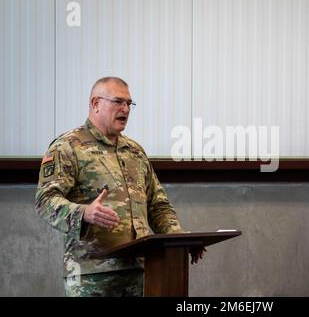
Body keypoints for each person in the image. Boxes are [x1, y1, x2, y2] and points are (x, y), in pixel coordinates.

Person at [35, 77, 204, 297]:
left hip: (141, 271)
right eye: (117, 102)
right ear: (95, 104)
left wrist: (179, 240)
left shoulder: (134, 151)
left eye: (129, 103)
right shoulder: (67, 146)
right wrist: (83, 212)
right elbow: (45, 200)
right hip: (92, 274)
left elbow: (158, 205)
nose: (125, 109)